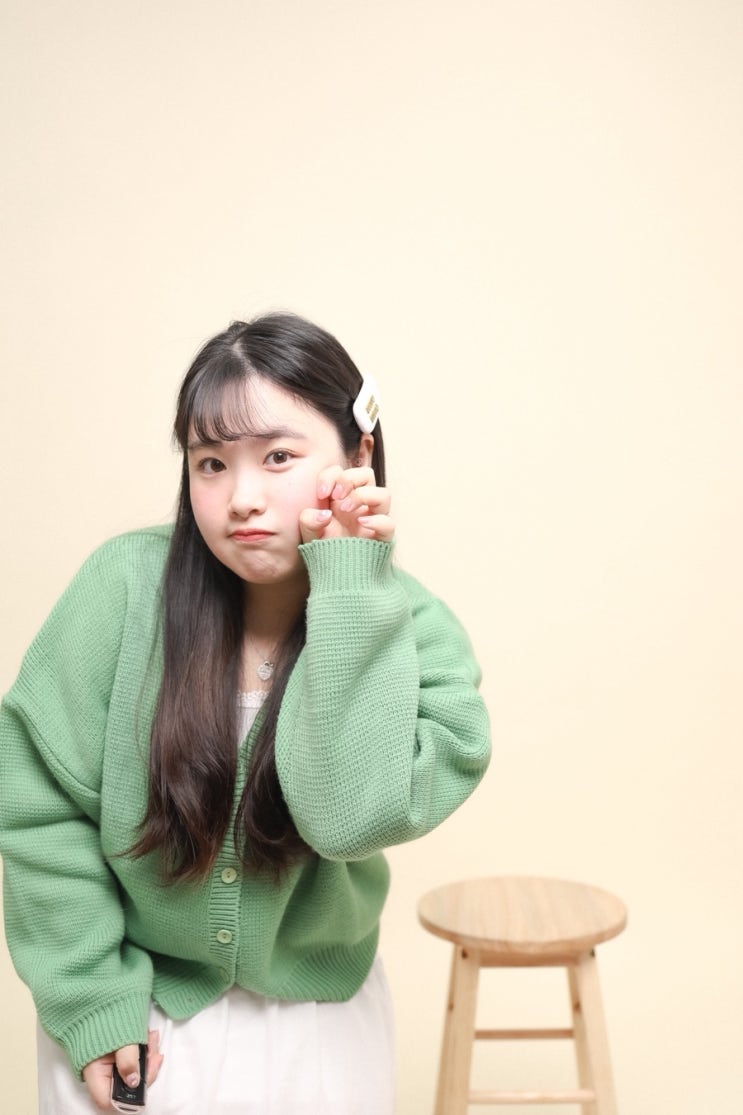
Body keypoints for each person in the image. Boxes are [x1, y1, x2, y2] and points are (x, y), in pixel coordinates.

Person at [0, 312, 490, 1114]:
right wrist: (91, 1000)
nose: (241, 498)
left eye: (278, 457)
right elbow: (39, 810)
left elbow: (344, 819)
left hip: (314, 1026)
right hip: (131, 1016)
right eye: (210, 463)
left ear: (357, 455)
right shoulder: (120, 588)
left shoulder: (418, 633)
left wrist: (349, 581)